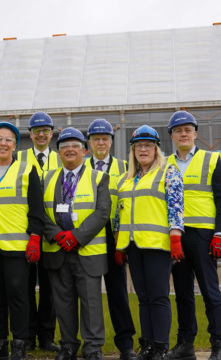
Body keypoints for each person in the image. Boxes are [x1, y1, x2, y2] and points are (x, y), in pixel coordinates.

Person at [0, 122, 45, 360]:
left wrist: (35, 238)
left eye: (8, 140)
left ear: (15, 145)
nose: (3, 143)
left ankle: (20, 345)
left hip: (17, 246)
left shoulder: (27, 170)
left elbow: (37, 208)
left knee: (18, 296)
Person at [114, 125, 184, 360]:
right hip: (133, 246)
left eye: (148, 145)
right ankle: (147, 346)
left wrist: (176, 238)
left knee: (158, 296)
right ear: (133, 151)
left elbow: (176, 208)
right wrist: (119, 245)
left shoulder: (168, 172)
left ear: (156, 149)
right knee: (143, 298)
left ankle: (161, 347)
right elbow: (118, 215)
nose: (143, 150)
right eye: (139, 146)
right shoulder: (126, 178)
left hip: (157, 245)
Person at [166, 111, 221, 360]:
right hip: (175, 236)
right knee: (182, 293)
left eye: (187, 129)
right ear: (172, 135)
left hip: (204, 236)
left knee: (210, 292)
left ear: (195, 134)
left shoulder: (212, 159)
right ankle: (185, 345)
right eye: (178, 130)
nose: (183, 133)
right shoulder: (164, 163)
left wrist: (220, 234)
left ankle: (218, 345)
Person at [42, 128, 111, 360]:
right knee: (64, 303)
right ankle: (68, 346)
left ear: (85, 150)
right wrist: (58, 235)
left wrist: (76, 237)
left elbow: (102, 213)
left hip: (87, 250)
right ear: (58, 152)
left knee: (91, 303)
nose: (70, 149)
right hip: (58, 250)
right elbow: (40, 213)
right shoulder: (47, 178)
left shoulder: (99, 177)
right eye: (64, 146)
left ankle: (92, 348)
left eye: (75, 145)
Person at [83, 119, 137, 360]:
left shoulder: (126, 168)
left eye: (105, 138)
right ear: (89, 143)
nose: (101, 142)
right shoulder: (79, 167)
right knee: (86, 293)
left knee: (118, 292)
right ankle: (88, 344)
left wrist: (122, 240)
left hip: (114, 236)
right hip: (86, 236)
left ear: (112, 142)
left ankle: (125, 344)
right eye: (96, 138)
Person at [15, 112, 60, 353]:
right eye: (36, 130)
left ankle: (46, 336)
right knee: (25, 286)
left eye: (45, 130)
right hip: (26, 232)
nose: (41, 134)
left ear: (51, 133)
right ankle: (28, 334)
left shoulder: (61, 158)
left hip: (52, 233)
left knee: (50, 289)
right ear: (30, 134)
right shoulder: (18, 157)